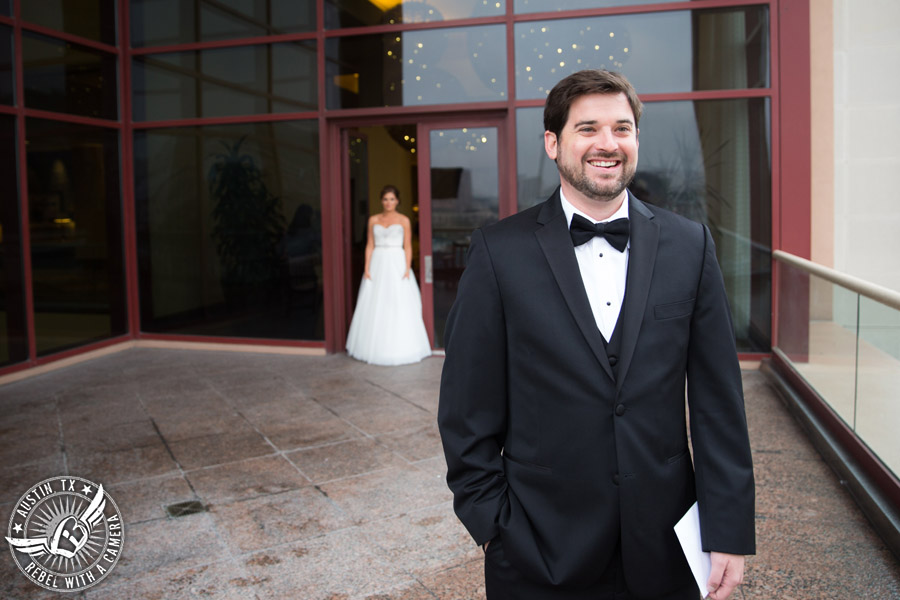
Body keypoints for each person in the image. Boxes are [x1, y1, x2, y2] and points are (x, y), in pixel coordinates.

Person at [437, 69, 755, 599]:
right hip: (538, 548)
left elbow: (719, 406)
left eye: (622, 128)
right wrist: (494, 525)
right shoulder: (498, 252)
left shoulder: (690, 246)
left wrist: (726, 532)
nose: (607, 144)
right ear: (553, 143)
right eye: (587, 128)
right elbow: (465, 411)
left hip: (667, 546)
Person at [346, 184, 432, 366]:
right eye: (385, 199)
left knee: (397, 301)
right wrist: (367, 267)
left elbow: (407, 245)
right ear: (381, 201)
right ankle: (372, 345)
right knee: (375, 302)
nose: (388, 202)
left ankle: (401, 346)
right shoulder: (373, 219)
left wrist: (407, 267)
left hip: (396, 261)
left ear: (397, 201)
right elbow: (369, 244)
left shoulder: (404, 220)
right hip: (377, 262)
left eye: (392, 199)